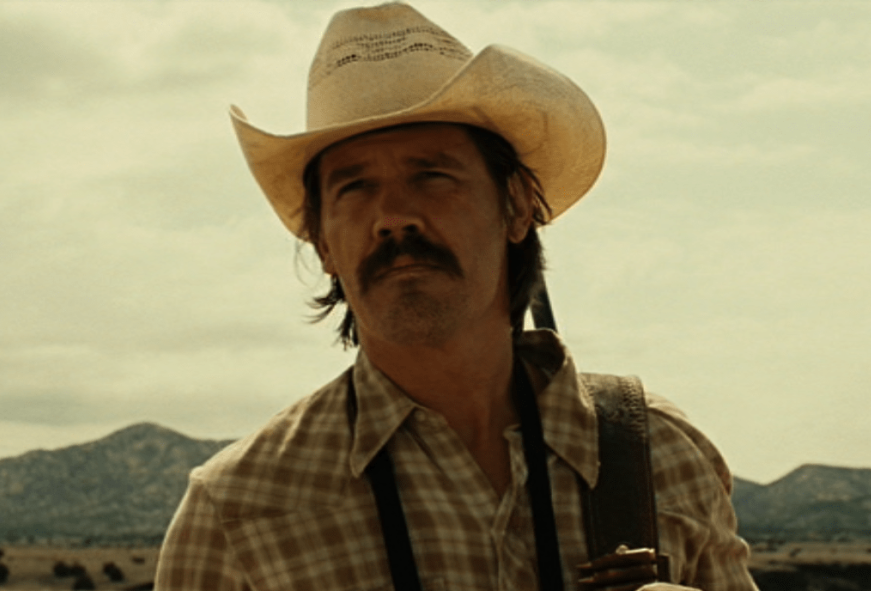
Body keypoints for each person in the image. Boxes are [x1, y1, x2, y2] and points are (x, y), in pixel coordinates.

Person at [155, 3, 757, 590]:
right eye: (355, 187)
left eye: (432, 176)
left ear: (516, 206)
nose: (393, 216)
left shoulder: (660, 455)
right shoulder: (235, 511)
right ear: (322, 243)